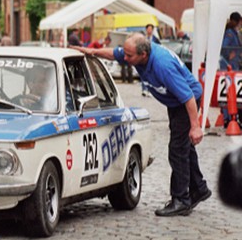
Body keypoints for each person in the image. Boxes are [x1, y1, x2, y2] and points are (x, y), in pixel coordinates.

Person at [74, 33, 211, 217]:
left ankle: (181, 200)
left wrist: (195, 126)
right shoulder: (136, 54)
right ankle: (199, 188)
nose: (126, 58)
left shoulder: (163, 66)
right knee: (185, 147)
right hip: (176, 101)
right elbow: (114, 54)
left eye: (129, 56)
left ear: (144, 54)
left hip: (186, 102)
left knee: (177, 150)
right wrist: (91, 51)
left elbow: (188, 97)